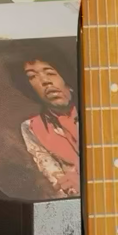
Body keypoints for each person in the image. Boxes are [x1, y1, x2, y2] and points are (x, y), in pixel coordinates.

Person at [17, 56, 80, 196]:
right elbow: (58, 183)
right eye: (32, 76)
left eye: (50, 73)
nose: (45, 81)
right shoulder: (32, 127)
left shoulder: (100, 110)